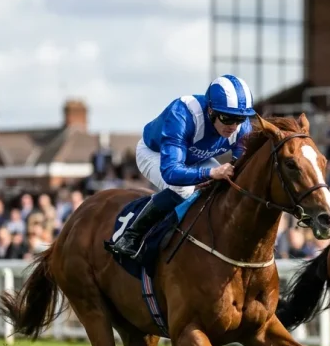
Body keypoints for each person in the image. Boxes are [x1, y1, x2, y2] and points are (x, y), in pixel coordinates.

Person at [106, 74, 256, 259]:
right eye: (227, 118)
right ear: (210, 111)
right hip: (156, 154)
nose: (234, 126)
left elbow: (242, 170)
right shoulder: (183, 114)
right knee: (183, 190)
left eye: (240, 119)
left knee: (225, 185)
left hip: (194, 157)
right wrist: (211, 172)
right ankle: (131, 236)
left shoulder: (242, 127)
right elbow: (171, 172)